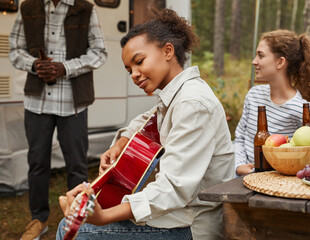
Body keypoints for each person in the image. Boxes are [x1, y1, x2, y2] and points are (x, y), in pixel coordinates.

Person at [56, 8, 234, 240]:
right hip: (177, 215)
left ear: (168, 51)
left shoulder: (192, 102)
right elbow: (146, 119)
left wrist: (104, 216)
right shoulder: (177, 95)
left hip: (192, 224)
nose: (134, 74)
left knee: (74, 230)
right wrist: (121, 143)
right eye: (129, 70)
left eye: (139, 62)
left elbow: (172, 189)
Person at [8, 0, 107, 238]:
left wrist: (66, 68)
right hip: (37, 102)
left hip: (73, 102)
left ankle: (78, 222)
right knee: (37, 163)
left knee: (77, 165)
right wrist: (34, 64)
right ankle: (39, 220)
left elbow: (99, 52)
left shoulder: (86, 8)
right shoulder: (28, 7)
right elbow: (15, 50)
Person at [234, 29, 310, 177]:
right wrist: (239, 165)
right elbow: (240, 138)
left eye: (260, 55)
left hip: (278, 183)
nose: (254, 61)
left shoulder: (301, 108)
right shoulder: (253, 95)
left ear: (280, 62)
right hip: (243, 178)